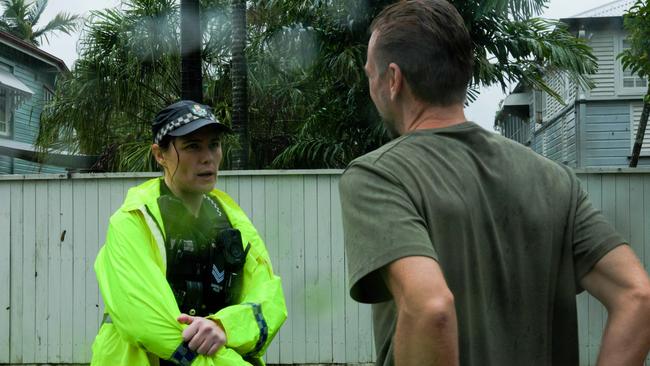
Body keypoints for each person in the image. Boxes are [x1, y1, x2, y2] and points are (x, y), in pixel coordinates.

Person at [339, 1, 650, 365]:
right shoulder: (554, 180)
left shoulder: (380, 176)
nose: (371, 86)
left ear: (393, 80)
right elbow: (637, 296)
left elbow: (430, 307)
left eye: (370, 75)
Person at [91, 100, 287, 366]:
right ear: (160, 154)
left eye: (214, 144)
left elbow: (269, 300)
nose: (207, 157)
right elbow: (151, 326)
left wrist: (223, 326)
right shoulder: (133, 221)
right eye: (192, 146)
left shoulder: (232, 219)